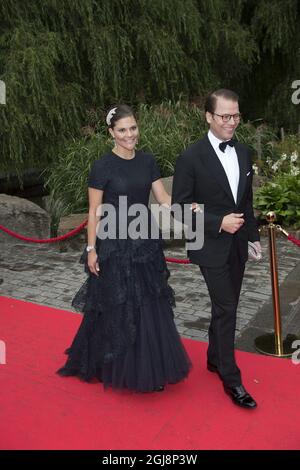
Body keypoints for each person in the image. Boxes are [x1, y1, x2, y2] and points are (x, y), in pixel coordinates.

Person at [57, 104, 191, 392]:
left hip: (144, 241)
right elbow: (94, 211)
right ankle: (112, 363)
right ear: (111, 133)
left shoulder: (147, 161)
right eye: (122, 130)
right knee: (118, 303)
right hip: (114, 242)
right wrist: (91, 249)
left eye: (132, 128)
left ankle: (149, 365)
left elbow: (163, 198)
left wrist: (188, 207)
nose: (129, 134)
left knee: (148, 303)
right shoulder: (102, 166)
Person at [172, 89, 261, 409]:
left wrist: (253, 238)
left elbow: (246, 202)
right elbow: (179, 208)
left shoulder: (244, 152)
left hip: (238, 244)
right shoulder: (190, 157)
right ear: (208, 116)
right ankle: (231, 378)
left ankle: (213, 357)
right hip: (208, 243)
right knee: (227, 308)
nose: (232, 122)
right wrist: (217, 222)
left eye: (236, 115)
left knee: (226, 305)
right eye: (225, 116)